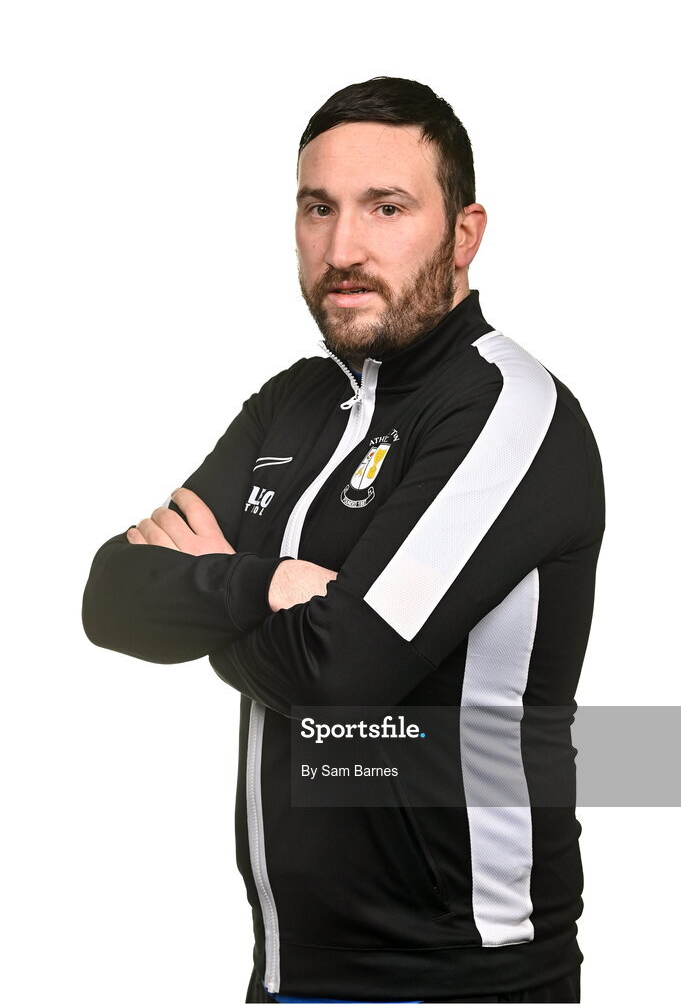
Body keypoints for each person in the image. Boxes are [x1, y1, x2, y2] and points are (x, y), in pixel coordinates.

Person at [82, 76, 604, 1004]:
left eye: (386, 208)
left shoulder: (504, 411)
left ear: (465, 234)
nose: (343, 247)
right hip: (290, 972)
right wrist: (266, 584)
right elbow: (111, 597)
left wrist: (207, 585)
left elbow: (340, 675)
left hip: (465, 980)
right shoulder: (294, 402)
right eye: (317, 208)